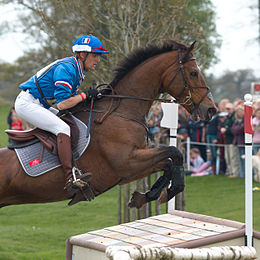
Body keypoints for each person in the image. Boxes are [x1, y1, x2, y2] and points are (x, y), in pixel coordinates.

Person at [14, 34, 109, 195]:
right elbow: (63, 104)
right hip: (27, 104)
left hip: (38, 103)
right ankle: (70, 177)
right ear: (82, 54)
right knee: (63, 128)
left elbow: (70, 103)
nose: (97, 60)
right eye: (94, 55)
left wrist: (90, 97)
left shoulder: (77, 69)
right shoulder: (67, 69)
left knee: (71, 121)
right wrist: (85, 95)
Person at [231, 105, 245, 178]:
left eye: (241, 111)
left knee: (245, 160)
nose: (240, 113)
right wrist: (238, 129)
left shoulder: (246, 119)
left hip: (244, 142)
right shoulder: (236, 120)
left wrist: (237, 129)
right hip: (238, 142)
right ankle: (242, 174)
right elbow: (232, 130)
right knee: (240, 160)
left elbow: (242, 129)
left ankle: (246, 174)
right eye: (238, 111)